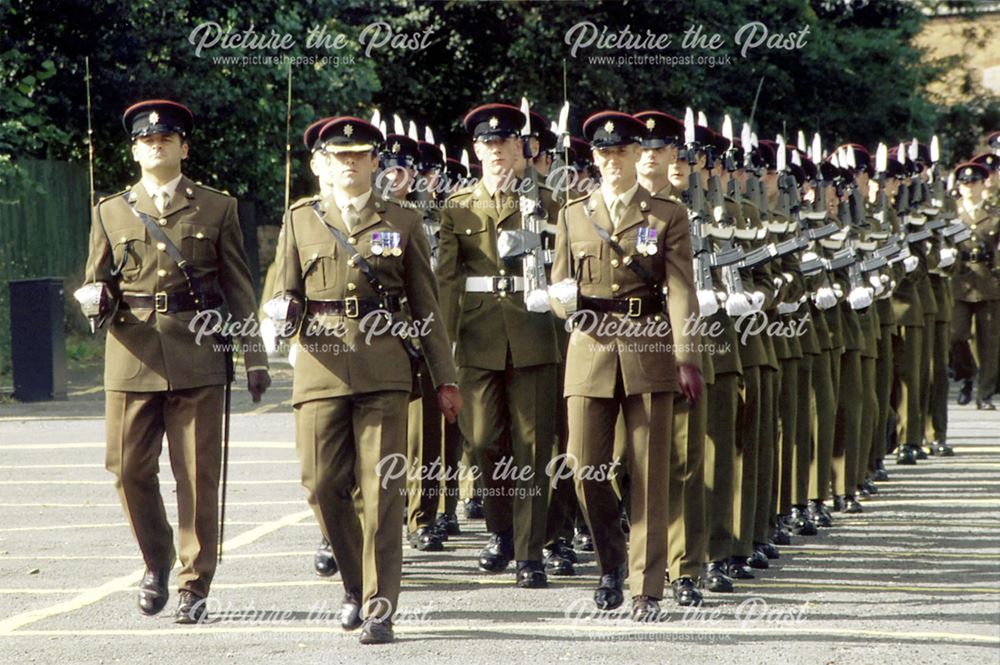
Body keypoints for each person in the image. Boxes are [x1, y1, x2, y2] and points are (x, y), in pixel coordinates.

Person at [271, 116, 460, 644]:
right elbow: (283, 292)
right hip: (320, 364)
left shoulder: (401, 220)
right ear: (325, 164)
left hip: (384, 366)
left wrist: (445, 378)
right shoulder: (300, 220)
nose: (349, 164)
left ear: (375, 162)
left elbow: (427, 305)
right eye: (339, 156)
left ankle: (379, 606)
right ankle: (354, 584)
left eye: (359, 155)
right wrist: (276, 320)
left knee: (382, 490)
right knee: (320, 483)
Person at [80, 99, 270, 623]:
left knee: (196, 474)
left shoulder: (216, 208)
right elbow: (97, 283)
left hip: (198, 353)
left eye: (166, 138)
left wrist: (254, 357)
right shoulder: (110, 210)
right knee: (125, 470)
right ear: (134, 150)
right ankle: (155, 556)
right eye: (146, 139)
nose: (155, 144)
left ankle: (193, 581)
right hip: (132, 354)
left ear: (183, 147)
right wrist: (93, 299)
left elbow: (239, 286)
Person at [550, 110, 703, 621]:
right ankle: (611, 562)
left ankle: (647, 588)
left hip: (648, 344)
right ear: (593, 158)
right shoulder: (574, 212)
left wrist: (687, 355)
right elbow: (558, 284)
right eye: (603, 153)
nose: (612, 161)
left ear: (639, 155)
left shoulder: (666, 214)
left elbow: (681, 290)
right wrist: (559, 300)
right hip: (589, 349)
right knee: (584, 468)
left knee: (648, 474)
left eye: (621, 152)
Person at [437, 103, 562, 589]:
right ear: (475, 151)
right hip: (478, 336)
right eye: (487, 145)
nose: (496, 152)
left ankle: (530, 553)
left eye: (505, 144)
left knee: (532, 447)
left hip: (535, 335)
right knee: (485, 439)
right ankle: (503, 529)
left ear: (521, 148)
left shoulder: (551, 203)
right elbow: (446, 279)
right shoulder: (458, 205)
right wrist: (440, 346)